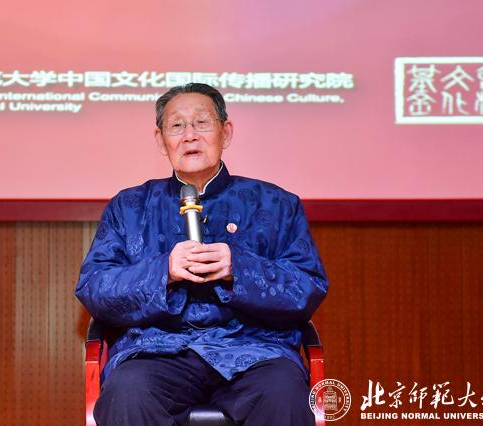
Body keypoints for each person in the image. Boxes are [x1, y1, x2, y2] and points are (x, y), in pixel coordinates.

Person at [76, 83, 328, 426]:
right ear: (161, 140)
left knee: (283, 392)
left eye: (201, 123)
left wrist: (238, 269)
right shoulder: (129, 207)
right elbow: (94, 287)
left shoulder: (277, 204)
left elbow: (308, 287)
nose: (189, 135)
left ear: (226, 132)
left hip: (255, 351)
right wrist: (163, 271)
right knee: (128, 391)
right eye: (177, 125)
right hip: (157, 351)